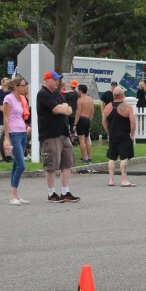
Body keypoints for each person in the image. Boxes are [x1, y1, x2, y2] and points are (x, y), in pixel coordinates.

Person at [36, 71, 80, 203]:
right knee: (51, 164)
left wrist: (63, 107)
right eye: (55, 79)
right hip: (50, 134)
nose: (57, 82)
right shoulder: (42, 94)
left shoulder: (56, 94)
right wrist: (62, 108)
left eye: (58, 80)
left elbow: (69, 109)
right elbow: (57, 109)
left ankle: (65, 191)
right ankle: (51, 193)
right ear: (47, 80)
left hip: (63, 133)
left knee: (67, 162)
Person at [1, 77, 31, 204]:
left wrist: (26, 127)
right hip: (14, 134)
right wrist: (7, 137)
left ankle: (16, 195)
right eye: (23, 85)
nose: (25, 87)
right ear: (16, 87)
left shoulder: (22, 99)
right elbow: (6, 118)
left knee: (16, 164)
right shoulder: (8, 99)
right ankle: (13, 196)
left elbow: (20, 117)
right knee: (21, 165)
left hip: (22, 133)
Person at [102, 86, 137, 187]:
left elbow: (104, 121)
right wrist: (132, 134)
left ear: (113, 96)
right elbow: (133, 122)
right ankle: (124, 180)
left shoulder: (108, 107)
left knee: (111, 158)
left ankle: (111, 180)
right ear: (122, 95)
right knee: (124, 158)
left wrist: (108, 132)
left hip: (112, 136)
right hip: (124, 136)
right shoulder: (127, 107)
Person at [75, 84, 95, 164]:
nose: (77, 91)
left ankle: (84, 158)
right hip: (87, 120)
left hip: (81, 120)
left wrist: (75, 124)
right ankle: (90, 157)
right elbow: (92, 112)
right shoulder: (90, 99)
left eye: (78, 90)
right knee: (87, 139)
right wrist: (89, 120)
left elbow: (78, 112)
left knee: (81, 140)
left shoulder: (80, 100)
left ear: (80, 91)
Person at [0, 76, 11, 162]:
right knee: (1, 139)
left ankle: (8, 156)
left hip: (9, 120)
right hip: (1, 121)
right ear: (2, 84)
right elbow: (0, 107)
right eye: (6, 82)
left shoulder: (10, 93)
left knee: (9, 139)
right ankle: (1, 157)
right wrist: (11, 110)